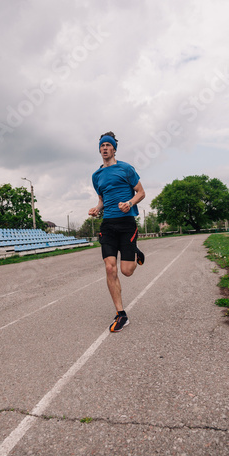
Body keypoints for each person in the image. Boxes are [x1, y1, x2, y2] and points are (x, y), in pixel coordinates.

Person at [89, 131, 145, 332]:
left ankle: (136, 252)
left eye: (108, 145)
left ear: (114, 149)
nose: (104, 148)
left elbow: (141, 192)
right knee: (110, 268)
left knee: (126, 271)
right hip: (108, 225)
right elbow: (102, 200)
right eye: (101, 146)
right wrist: (97, 209)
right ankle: (121, 314)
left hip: (127, 223)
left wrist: (129, 203)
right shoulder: (96, 176)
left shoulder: (126, 169)